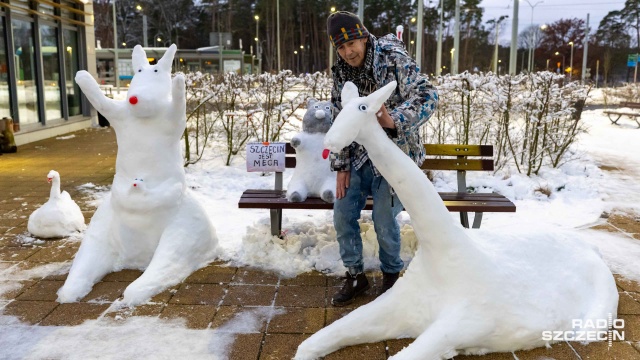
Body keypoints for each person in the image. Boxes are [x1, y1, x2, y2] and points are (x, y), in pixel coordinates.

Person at [326, 11, 439, 306]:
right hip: (359, 156)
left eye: (352, 43)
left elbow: (429, 95)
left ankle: (391, 276)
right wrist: (341, 164)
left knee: (384, 217)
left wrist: (395, 119)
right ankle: (355, 275)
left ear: (363, 36)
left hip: (395, 153)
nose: (348, 52)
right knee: (342, 212)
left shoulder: (392, 56)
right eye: (341, 47)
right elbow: (340, 117)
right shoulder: (340, 71)